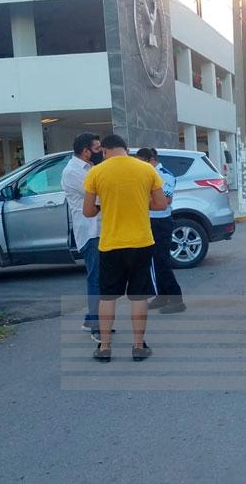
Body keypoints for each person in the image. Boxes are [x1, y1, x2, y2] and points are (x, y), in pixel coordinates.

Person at [83, 135, 167, 363]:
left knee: (108, 296)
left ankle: (104, 347)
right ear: (126, 149)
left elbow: (88, 211)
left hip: (110, 244)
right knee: (139, 296)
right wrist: (140, 202)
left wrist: (104, 205)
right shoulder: (147, 169)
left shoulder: (96, 172)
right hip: (141, 242)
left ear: (105, 150)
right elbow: (161, 204)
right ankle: (138, 346)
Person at [61, 132, 110, 342]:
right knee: (96, 278)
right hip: (90, 232)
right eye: (97, 148)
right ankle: (96, 327)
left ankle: (91, 319)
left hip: (100, 229)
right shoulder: (73, 172)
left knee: (102, 277)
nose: (101, 152)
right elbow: (99, 196)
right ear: (85, 151)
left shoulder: (91, 168)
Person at [136, 147, 186, 314]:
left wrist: (139, 200)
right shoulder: (148, 174)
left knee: (161, 262)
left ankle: (176, 300)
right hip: (149, 221)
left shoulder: (164, 175)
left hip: (160, 222)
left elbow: (166, 200)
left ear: (151, 160)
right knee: (153, 262)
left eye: (141, 163)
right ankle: (162, 295)